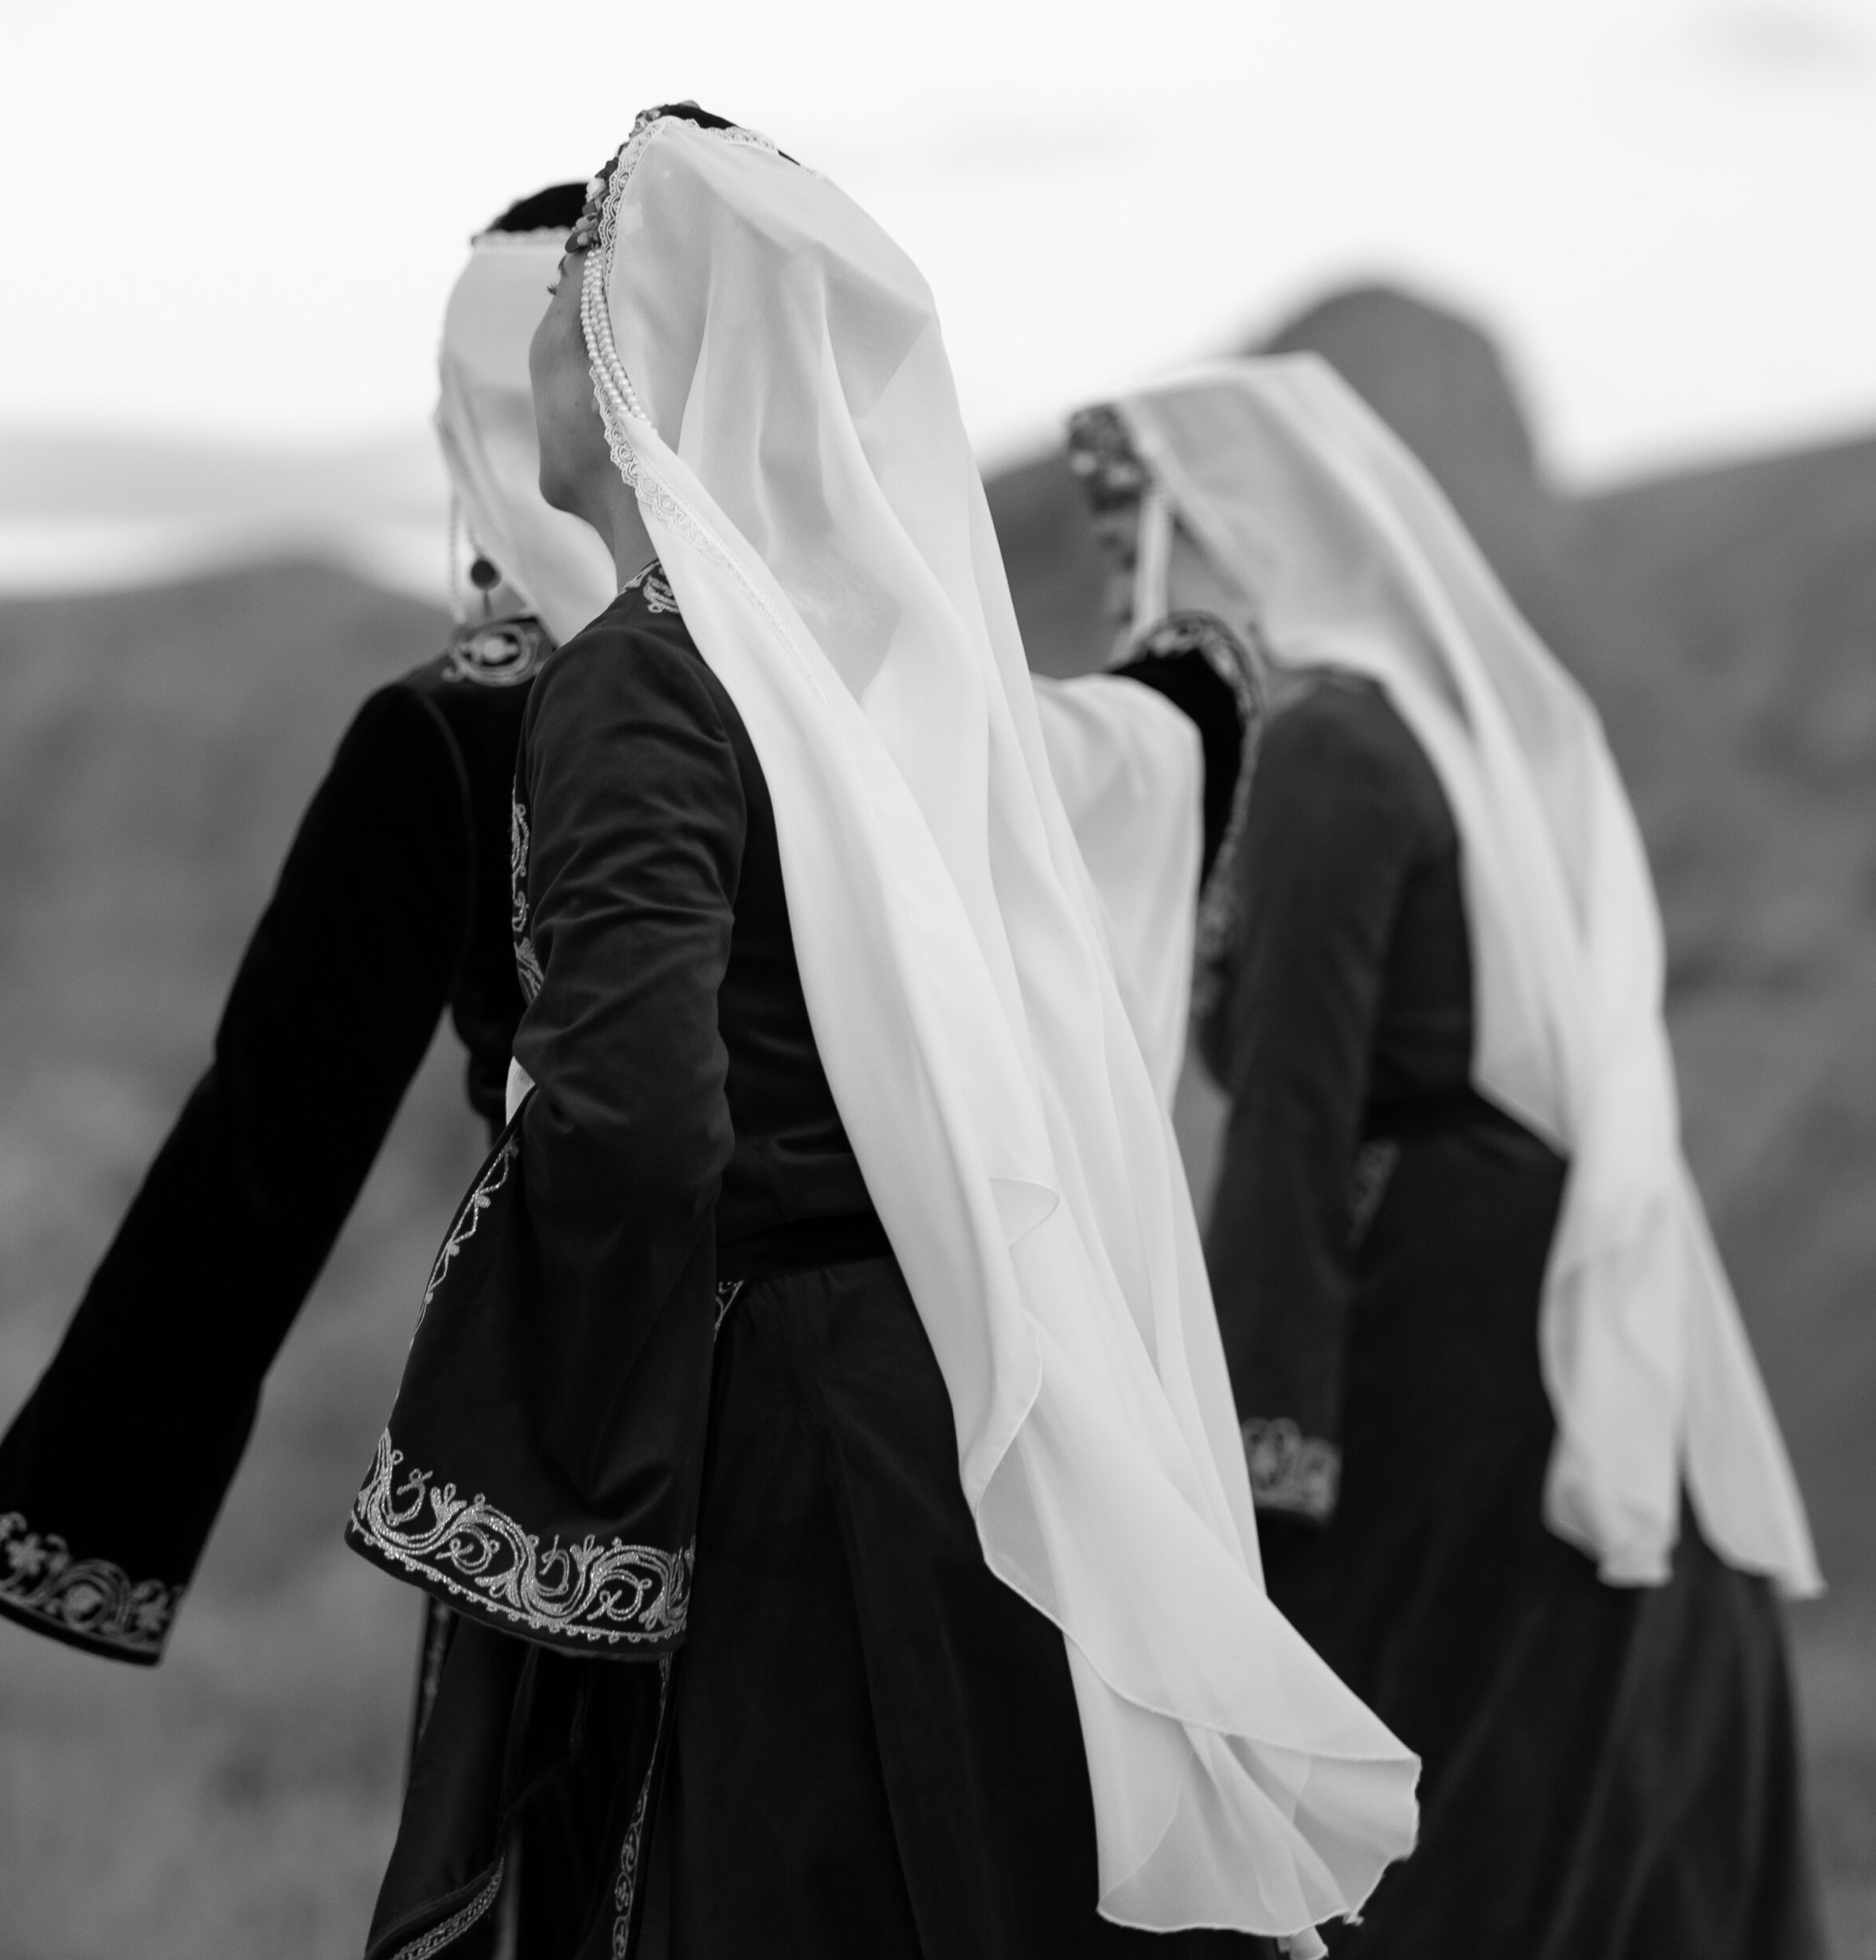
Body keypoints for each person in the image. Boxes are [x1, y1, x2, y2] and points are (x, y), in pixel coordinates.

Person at [346, 103, 1418, 1960]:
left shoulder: (646, 676)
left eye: (574, 291)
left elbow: (635, 1118)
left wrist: (559, 1446)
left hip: (763, 1429)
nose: (537, 345)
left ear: (635, 353)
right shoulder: (873, 684)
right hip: (951, 1393)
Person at [1066, 357, 1827, 1958]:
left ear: (1227, 530)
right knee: (1533, 1749)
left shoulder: (1328, 750)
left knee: (1410, 1761)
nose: (1127, 580)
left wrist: (1249, 1448)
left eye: (1139, 533)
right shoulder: (1408, 725)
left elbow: (1294, 1103)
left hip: (1417, 1296)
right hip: (1501, 1259)